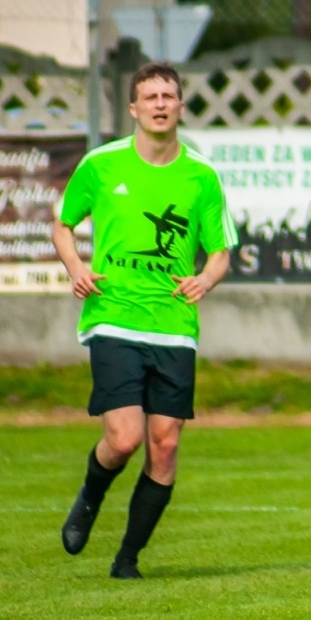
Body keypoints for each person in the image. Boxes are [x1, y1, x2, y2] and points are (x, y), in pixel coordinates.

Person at [52, 62, 237, 579]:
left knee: (166, 444)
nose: (159, 103)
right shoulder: (102, 165)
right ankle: (90, 497)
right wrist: (75, 265)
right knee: (125, 438)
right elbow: (63, 225)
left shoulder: (202, 176)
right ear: (133, 108)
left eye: (168, 95)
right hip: (113, 318)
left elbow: (221, 252)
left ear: (180, 106)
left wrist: (206, 278)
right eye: (149, 96)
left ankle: (127, 559)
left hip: (174, 325)